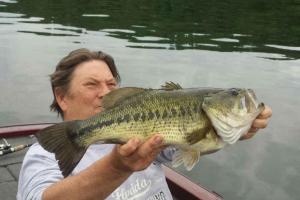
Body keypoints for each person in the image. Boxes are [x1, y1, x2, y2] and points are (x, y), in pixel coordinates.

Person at [17, 48, 272, 200]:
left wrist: (241, 128)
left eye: (111, 85)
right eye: (91, 85)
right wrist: (117, 166)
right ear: (61, 97)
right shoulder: (46, 153)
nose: (105, 93)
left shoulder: (150, 142)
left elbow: (190, 143)